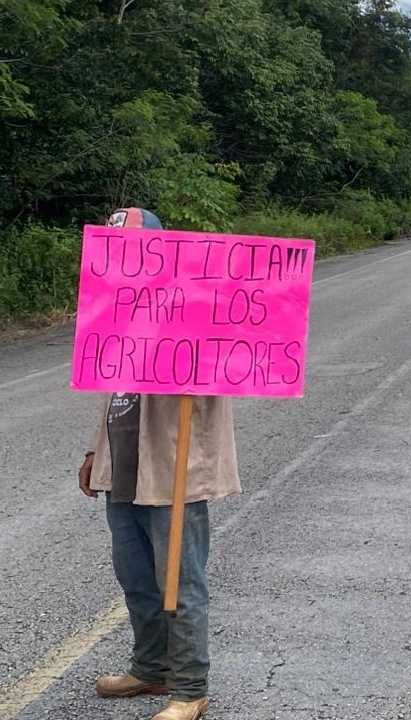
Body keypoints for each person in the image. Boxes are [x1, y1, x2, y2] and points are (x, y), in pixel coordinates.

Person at [81, 209, 239, 720]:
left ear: (160, 249)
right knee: (135, 576)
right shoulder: (116, 308)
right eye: (115, 246)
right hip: (123, 468)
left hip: (171, 470)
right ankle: (151, 668)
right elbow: (109, 388)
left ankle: (190, 689)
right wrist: (93, 451)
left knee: (181, 583)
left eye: (132, 246)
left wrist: (204, 367)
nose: (123, 256)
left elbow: (237, 367)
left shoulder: (199, 306)